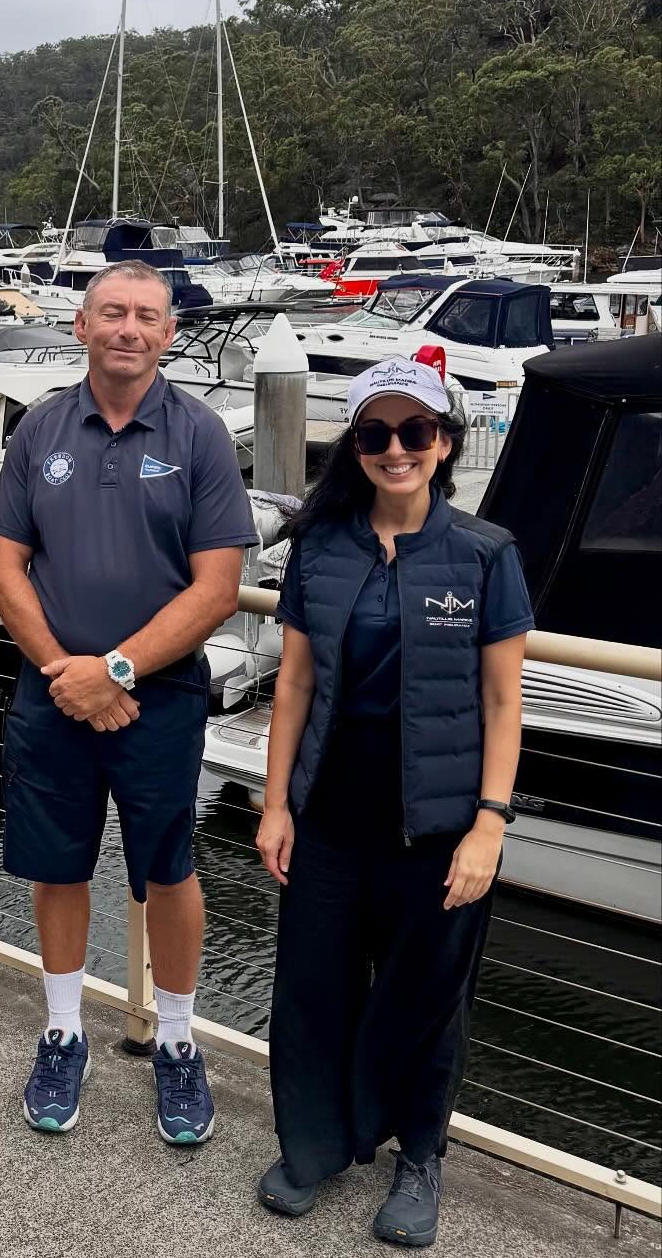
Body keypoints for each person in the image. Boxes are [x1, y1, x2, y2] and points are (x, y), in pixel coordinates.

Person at [254, 356, 530, 1248]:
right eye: (376, 433)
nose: (396, 448)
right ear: (357, 446)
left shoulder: (485, 554)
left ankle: (419, 1158)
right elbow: (294, 685)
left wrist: (489, 823)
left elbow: (503, 702)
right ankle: (314, 1147)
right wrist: (275, 804)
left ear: (444, 442)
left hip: (439, 827)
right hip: (330, 817)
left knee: (424, 1002)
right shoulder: (321, 547)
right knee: (312, 992)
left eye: (416, 431)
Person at [0, 259, 256, 1145]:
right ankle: (63, 1032)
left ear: (168, 334)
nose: (127, 329)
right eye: (111, 313)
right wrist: (69, 671)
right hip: (53, 688)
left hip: (160, 696)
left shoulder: (200, 434)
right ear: (82, 326)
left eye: (145, 316)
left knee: (169, 869)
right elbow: (4, 568)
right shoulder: (40, 428)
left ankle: (176, 1040)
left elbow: (218, 587)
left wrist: (119, 672)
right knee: (58, 866)